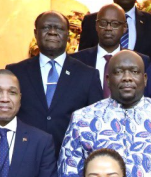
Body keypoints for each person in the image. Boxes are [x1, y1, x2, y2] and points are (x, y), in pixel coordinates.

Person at [6, 12, 102, 160]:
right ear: (35, 33)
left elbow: (96, 122)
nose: (52, 32)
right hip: (24, 159)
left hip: (72, 160)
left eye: (59, 28)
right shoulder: (15, 72)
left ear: (68, 35)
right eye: (46, 27)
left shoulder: (88, 75)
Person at [70, 4, 150, 98]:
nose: (108, 28)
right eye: (103, 23)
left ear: (124, 27)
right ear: (96, 26)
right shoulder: (76, 60)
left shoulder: (140, 60)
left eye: (115, 24)